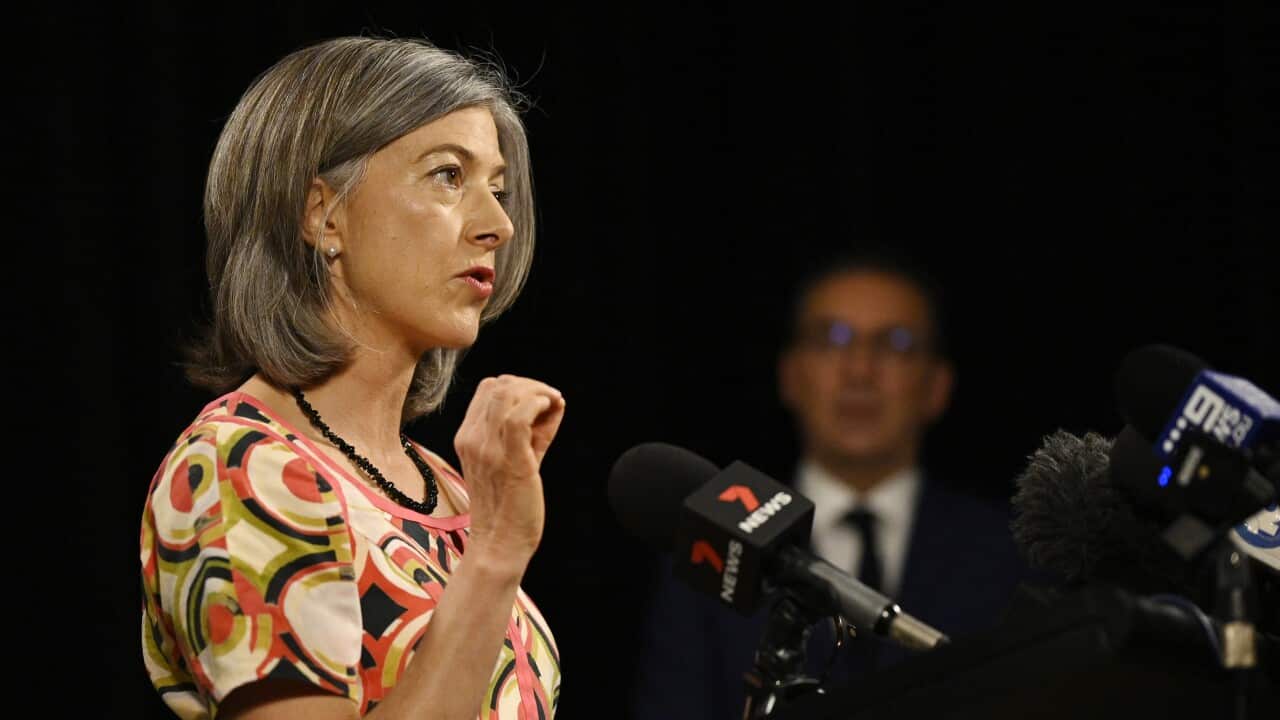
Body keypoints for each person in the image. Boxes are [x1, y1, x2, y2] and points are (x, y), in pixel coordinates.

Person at [138, 36, 566, 719]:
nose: (499, 225)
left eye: (499, 189)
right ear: (322, 214)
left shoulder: (453, 488)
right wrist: (493, 555)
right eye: (448, 176)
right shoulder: (242, 467)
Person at [629, 253, 1029, 719]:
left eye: (895, 344)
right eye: (831, 339)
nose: (860, 370)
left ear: (937, 385)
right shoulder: (712, 547)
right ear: (790, 374)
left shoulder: (1009, 552)